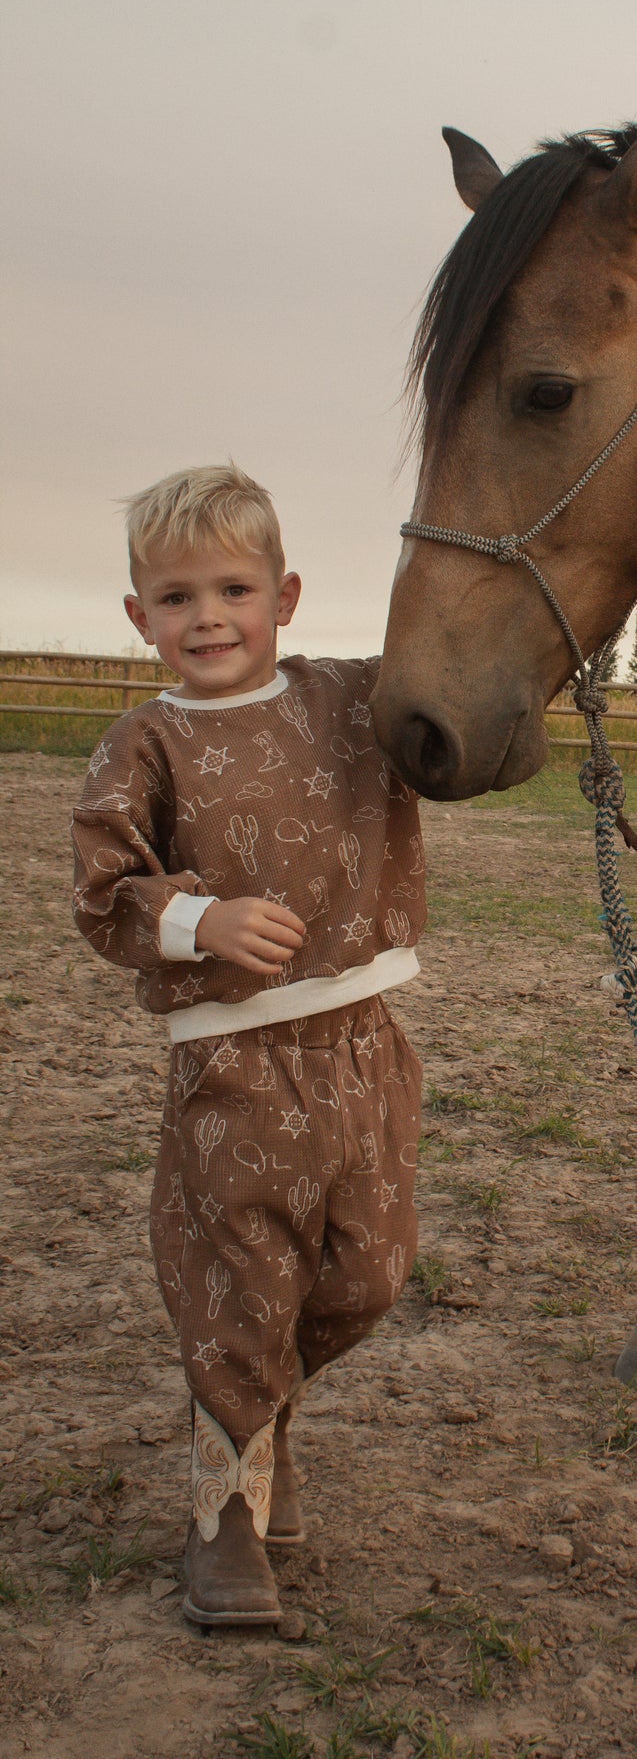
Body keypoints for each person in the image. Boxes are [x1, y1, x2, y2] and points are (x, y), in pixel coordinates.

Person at [72, 465, 425, 1629]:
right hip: (234, 1063)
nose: (207, 617)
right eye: (176, 597)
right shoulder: (145, 743)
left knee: (365, 1276)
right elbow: (102, 889)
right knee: (242, 1281)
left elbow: (454, 686)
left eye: (233, 588)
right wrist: (200, 918)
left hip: (366, 1042)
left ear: (285, 593)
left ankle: (260, 1409)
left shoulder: (350, 700)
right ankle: (222, 1510)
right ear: (138, 616)